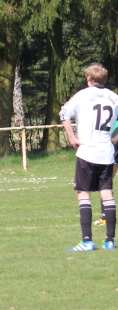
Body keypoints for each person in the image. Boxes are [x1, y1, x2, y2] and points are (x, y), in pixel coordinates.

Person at [59, 63, 118, 251]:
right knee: (107, 193)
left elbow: (64, 114)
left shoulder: (83, 95)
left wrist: (72, 138)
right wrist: (115, 139)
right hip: (106, 153)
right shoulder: (114, 97)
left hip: (87, 151)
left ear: (88, 79)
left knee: (83, 193)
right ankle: (109, 241)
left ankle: (87, 241)